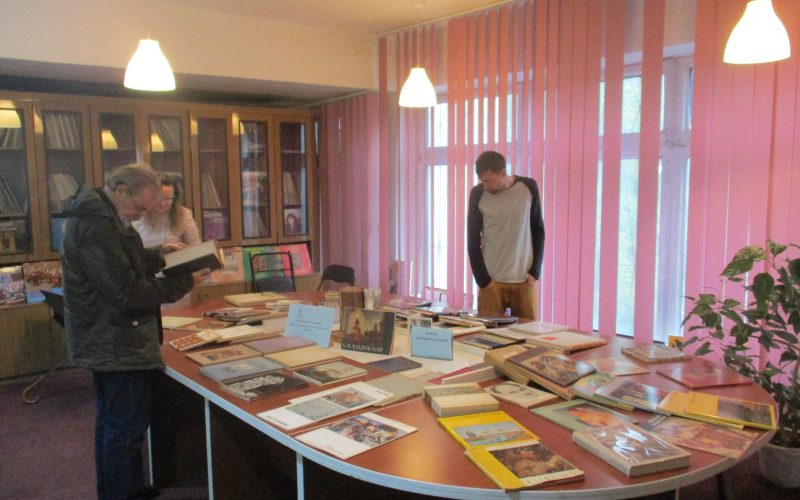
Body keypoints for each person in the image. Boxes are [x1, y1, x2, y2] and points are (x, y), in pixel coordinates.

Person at [60, 163, 198, 500]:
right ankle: (121, 493)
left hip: (111, 338)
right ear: (121, 189)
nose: (140, 216)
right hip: (115, 342)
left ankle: (123, 489)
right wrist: (182, 282)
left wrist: (158, 255)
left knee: (115, 424)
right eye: (139, 207)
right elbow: (127, 292)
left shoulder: (104, 218)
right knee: (124, 427)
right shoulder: (96, 226)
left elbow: (123, 263)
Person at [467, 150, 545, 319]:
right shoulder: (478, 194)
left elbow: (538, 229)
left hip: (524, 281)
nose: (485, 186)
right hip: (492, 283)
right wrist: (483, 280)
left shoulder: (528, 188)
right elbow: (472, 239)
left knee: (528, 333)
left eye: (488, 180)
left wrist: (535, 272)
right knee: (487, 333)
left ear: (502, 173)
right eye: (482, 181)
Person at [132, 174, 201, 248]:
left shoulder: (184, 215)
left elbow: (196, 247)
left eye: (168, 198)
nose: (163, 203)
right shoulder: (138, 214)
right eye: (159, 198)